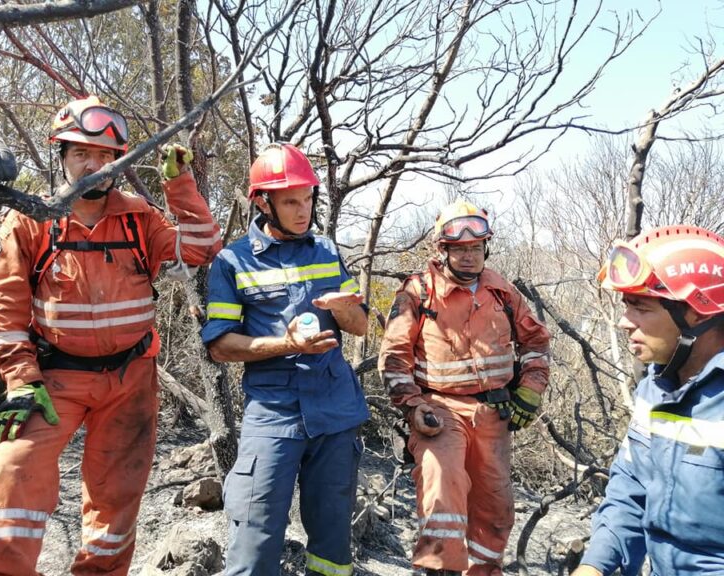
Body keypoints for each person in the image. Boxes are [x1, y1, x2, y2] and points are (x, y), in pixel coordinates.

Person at [0, 95, 222, 576]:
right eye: (82, 153)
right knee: (13, 472)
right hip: (53, 378)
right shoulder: (31, 218)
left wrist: (180, 184)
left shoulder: (139, 216)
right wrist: (20, 379)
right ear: (60, 156)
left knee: (117, 496)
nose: (95, 165)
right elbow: (1, 307)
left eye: (106, 156)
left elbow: (203, 249)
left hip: (130, 379)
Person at [201, 142, 369, 576]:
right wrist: (287, 345)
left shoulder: (327, 251)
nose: (303, 210)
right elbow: (220, 345)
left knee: (333, 549)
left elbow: (361, 326)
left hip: (335, 412)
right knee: (254, 541)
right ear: (263, 201)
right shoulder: (232, 261)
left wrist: (344, 308)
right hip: (273, 415)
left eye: (309, 199)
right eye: (291, 201)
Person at [378, 200, 551, 576]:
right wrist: (411, 405)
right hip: (438, 410)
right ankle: (440, 570)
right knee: (443, 484)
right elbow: (394, 357)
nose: (470, 256)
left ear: (486, 248)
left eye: (476, 248)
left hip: (493, 415)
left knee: (495, 509)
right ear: (444, 250)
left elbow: (536, 343)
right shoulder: (419, 293)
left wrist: (531, 388)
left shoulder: (501, 292)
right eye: (460, 248)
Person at [572, 225, 724, 576]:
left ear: (697, 312)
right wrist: (595, 566)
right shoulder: (657, 386)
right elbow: (632, 489)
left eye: (640, 307)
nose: (625, 322)